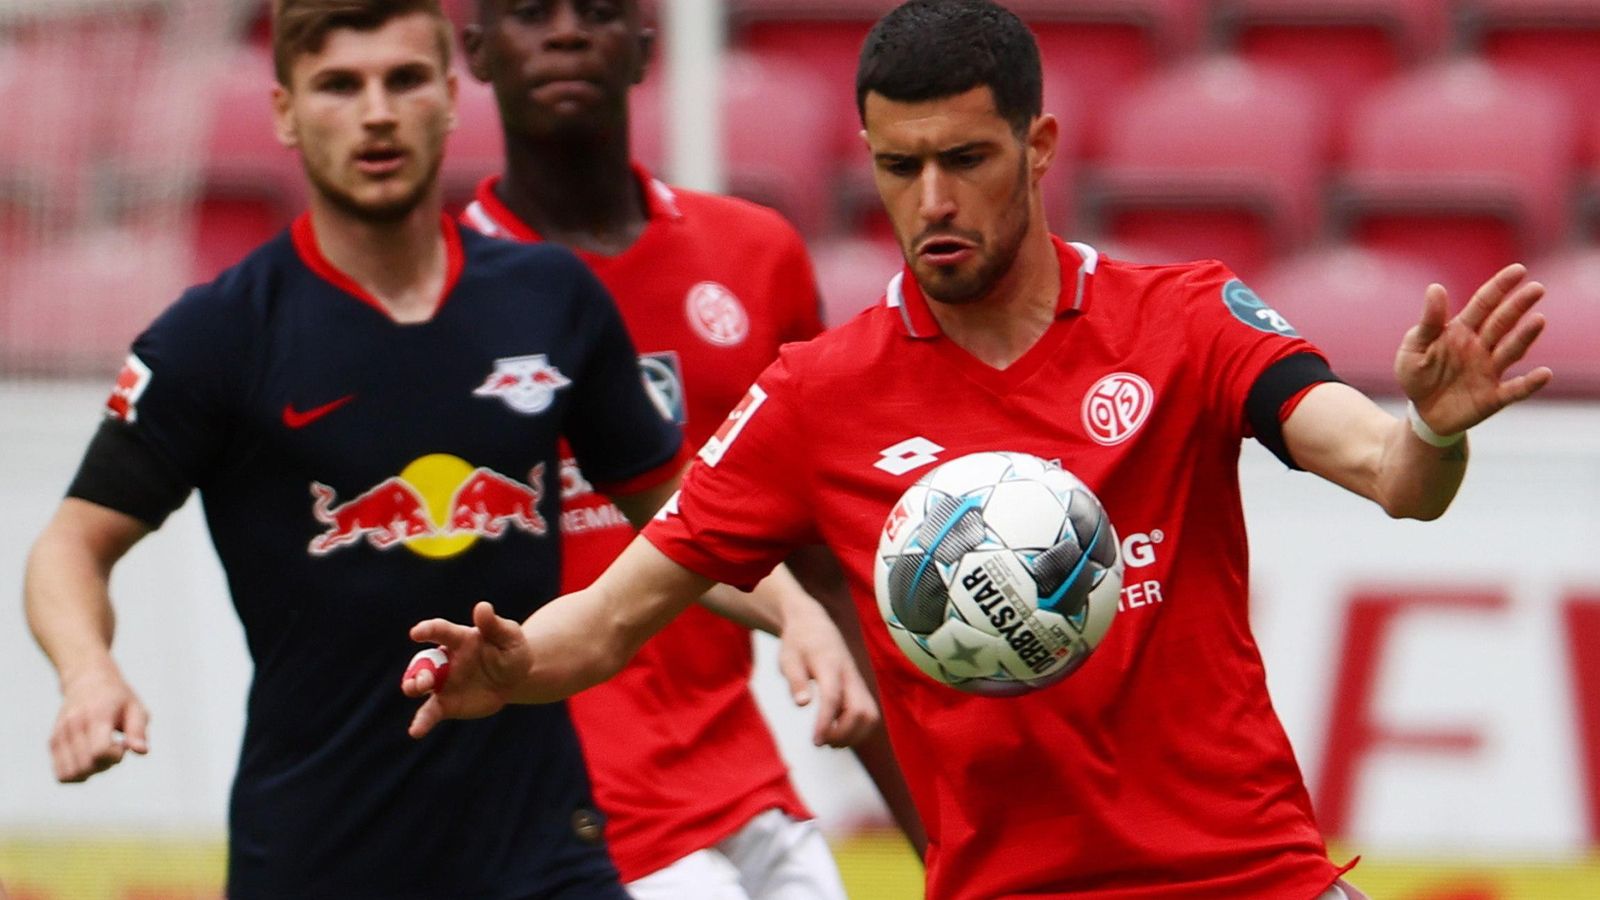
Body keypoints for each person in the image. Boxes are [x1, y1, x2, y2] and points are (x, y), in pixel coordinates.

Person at [402, 0, 1554, 897]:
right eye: (900, 169)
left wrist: (1433, 434)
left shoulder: (1186, 319)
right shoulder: (818, 394)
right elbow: (609, 617)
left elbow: (1391, 479)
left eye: (966, 158)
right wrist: (514, 667)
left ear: (1038, 143)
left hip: (1248, 880)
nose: (933, 200)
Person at [22, 1, 873, 897]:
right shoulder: (219, 335)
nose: (377, 112)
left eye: (404, 80)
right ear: (283, 110)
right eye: (340, 86)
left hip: (546, 846)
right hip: (320, 851)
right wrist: (89, 674)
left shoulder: (551, 299)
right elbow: (70, 547)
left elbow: (674, 508)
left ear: (449, 95)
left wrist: (798, 614)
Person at [453, 0, 924, 894]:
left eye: (594, 12)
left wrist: (941, 847)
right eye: (529, 13)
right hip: (555, 804)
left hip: (740, 784)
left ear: (644, 48)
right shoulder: (437, 298)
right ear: (474, 52)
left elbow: (823, 571)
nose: (564, 34)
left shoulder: (756, 257)